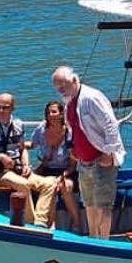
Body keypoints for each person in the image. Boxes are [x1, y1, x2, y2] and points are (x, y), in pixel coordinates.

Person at [53, 65, 125, 239]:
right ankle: (93, 238)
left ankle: (104, 241)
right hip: (83, 162)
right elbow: (72, 127)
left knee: (103, 205)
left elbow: (110, 124)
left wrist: (109, 152)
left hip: (101, 160)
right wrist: (72, 147)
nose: (61, 89)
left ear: (75, 80)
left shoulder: (91, 98)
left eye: (63, 84)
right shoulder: (68, 101)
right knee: (89, 204)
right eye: (57, 86)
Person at [0, 93, 58, 226]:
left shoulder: (18, 125)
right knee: (23, 185)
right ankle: (30, 223)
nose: (1, 111)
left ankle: (40, 222)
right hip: (1, 171)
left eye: (5, 107)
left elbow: (22, 148)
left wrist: (26, 164)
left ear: (12, 108)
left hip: (18, 167)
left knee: (50, 184)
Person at [29, 99, 82, 233]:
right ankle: (51, 224)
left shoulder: (69, 132)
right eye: (48, 112)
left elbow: (72, 165)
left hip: (67, 171)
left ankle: (76, 223)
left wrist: (62, 176)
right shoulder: (41, 129)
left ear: (61, 114)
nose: (51, 115)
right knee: (49, 184)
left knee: (66, 187)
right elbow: (32, 144)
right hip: (47, 169)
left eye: (54, 112)